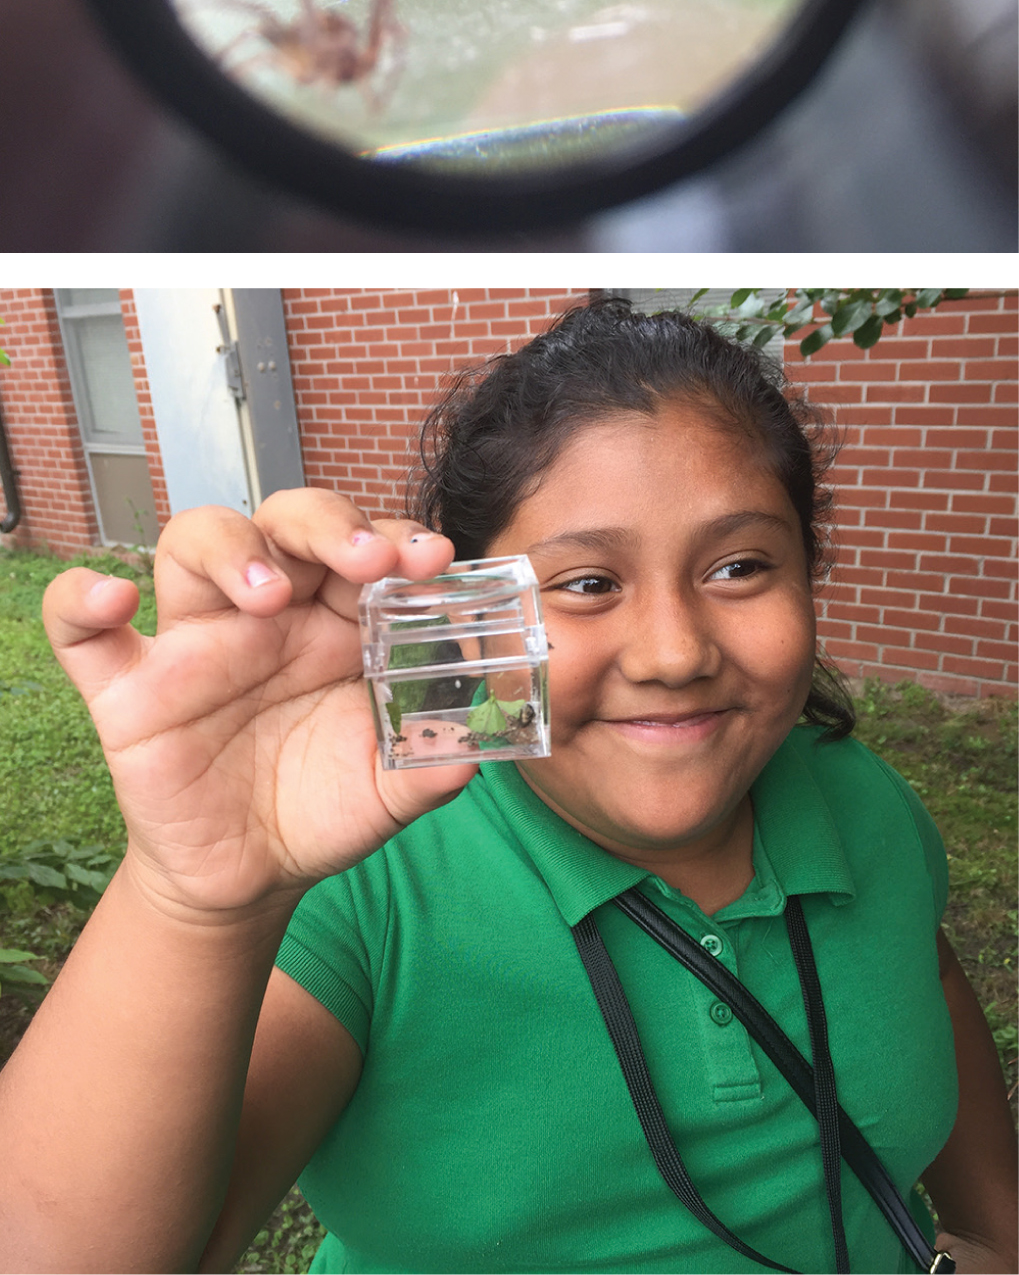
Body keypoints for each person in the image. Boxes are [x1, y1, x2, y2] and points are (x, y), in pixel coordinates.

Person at [0, 303, 1014, 1275]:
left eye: (739, 565)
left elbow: (916, 984)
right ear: (465, 617)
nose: (671, 652)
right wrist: (195, 897)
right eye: (584, 584)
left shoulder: (854, 796)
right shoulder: (372, 880)